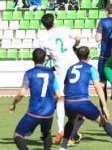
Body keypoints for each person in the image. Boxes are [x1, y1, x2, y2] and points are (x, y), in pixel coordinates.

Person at [60, 46, 112, 150]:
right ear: (88, 56)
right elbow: (98, 87)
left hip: (69, 102)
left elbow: (65, 88)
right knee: (103, 121)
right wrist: (104, 106)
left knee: (72, 120)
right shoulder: (91, 68)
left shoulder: (70, 68)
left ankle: (63, 146)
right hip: (83, 102)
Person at [38, 13, 81, 144]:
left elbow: (45, 56)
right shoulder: (63, 29)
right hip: (75, 65)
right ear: (54, 21)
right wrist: (73, 46)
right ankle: (72, 133)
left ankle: (61, 129)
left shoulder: (43, 37)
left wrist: (51, 55)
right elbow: (78, 38)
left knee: (60, 99)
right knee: (78, 98)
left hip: (61, 68)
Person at [9, 48, 61, 150]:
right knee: (46, 133)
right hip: (48, 112)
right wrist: (50, 101)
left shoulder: (29, 73)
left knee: (17, 135)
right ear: (45, 59)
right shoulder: (51, 74)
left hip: (34, 111)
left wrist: (13, 103)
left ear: (33, 58)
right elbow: (58, 95)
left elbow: (22, 93)